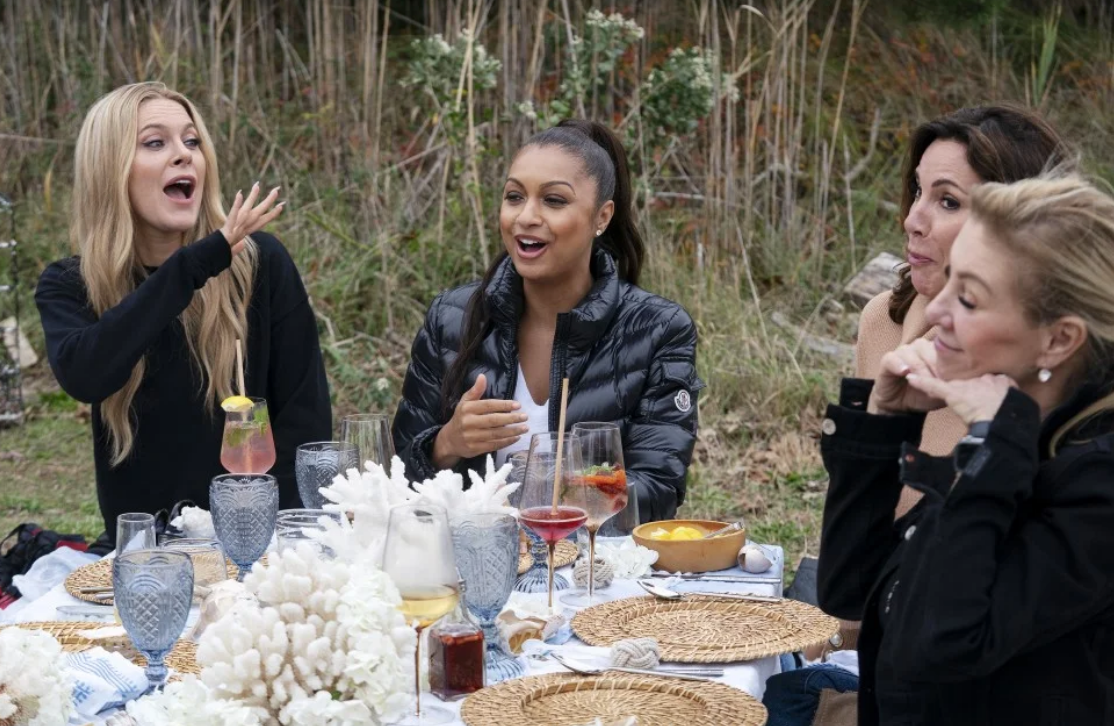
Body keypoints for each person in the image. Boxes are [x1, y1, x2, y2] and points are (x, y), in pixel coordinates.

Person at [817, 172, 1114, 725]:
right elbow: (850, 590)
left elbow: (936, 645)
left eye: (970, 298)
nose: (934, 312)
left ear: (1058, 339)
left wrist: (993, 447)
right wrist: (885, 425)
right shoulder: (1025, 435)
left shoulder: (1093, 480)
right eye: (949, 281)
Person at [35, 83, 331, 545]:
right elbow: (86, 375)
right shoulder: (71, 284)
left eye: (192, 141)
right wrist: (195, 263)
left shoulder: (260, 265)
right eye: (156, 143)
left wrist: (280, 551)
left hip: (258, 544)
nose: (184, 155)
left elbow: (305, 421)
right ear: (108, 170)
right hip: (146, 558)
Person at [393, 120, 703, 523]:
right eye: (514, 196)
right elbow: (398, 476)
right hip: (470, 568)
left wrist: (557, 488)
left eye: (554, 201)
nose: (526, 216)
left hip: (592, 574)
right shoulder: (452, 317)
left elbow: (658, 490)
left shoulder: (657, 329)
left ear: (601, 217)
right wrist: (445, 444)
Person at [856, 104, 1068, 517]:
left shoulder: (1059, 361)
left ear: (1021, 225)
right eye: (918, 191)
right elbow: (859, 521)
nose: (912, 220)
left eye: (948, 202)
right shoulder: (883, 319)